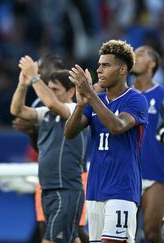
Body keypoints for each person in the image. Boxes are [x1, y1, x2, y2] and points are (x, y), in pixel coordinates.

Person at [65, 39, 148, 243]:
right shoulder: (95, 101)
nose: (99, 70)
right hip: (95, 187)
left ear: (122, 70)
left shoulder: (136, 100)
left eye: (106, 65)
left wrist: (91, 94)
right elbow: (69, 133)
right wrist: (80, 104)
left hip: (122, 187)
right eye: (99, 65)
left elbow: (117, 126)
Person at [10, 56, 86, 243]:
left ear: (70, 92)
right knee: (72, 238)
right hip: (48, 188)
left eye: (55, 90)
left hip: (66, 188)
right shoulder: (46, 113)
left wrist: (35, 78)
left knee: (51, 239)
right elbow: (17, 110)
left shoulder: (75, 110)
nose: (50, 94)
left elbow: (52, 103)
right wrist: (22, 84)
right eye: (49, 89)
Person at [131, 45, 164, 243]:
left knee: (151, 233)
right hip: (126, 174)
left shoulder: (162, 96)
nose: (135, 57)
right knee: (122, 236)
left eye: (140, 54)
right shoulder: (121, 94)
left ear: (152, 64)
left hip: (155, 173)